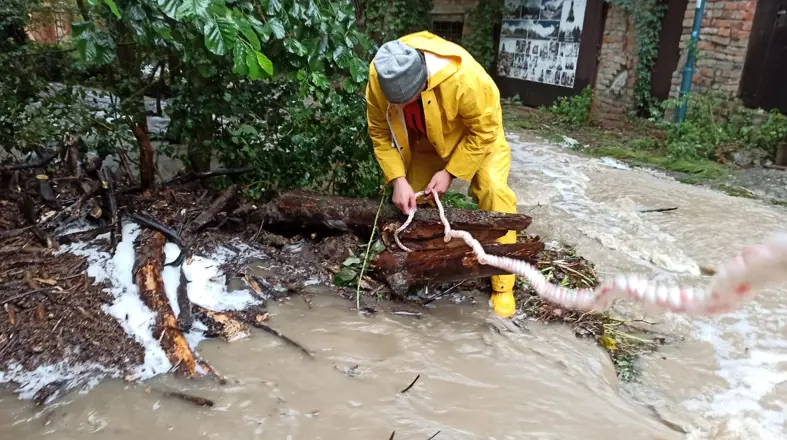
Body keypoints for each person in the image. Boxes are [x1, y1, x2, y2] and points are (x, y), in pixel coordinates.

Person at [365, 31, 519, 318]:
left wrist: (450, 173)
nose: (402, 108)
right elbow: (380, 132)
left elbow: (485, 131)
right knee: (412, 201)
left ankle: (502, 284)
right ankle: (424, 270)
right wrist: (397, 180)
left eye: (409, 100)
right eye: (398, 105)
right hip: (425, 139)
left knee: (494, 191)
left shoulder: (467, 79)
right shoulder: (380, 75)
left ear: (425, 80)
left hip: (477, 138)